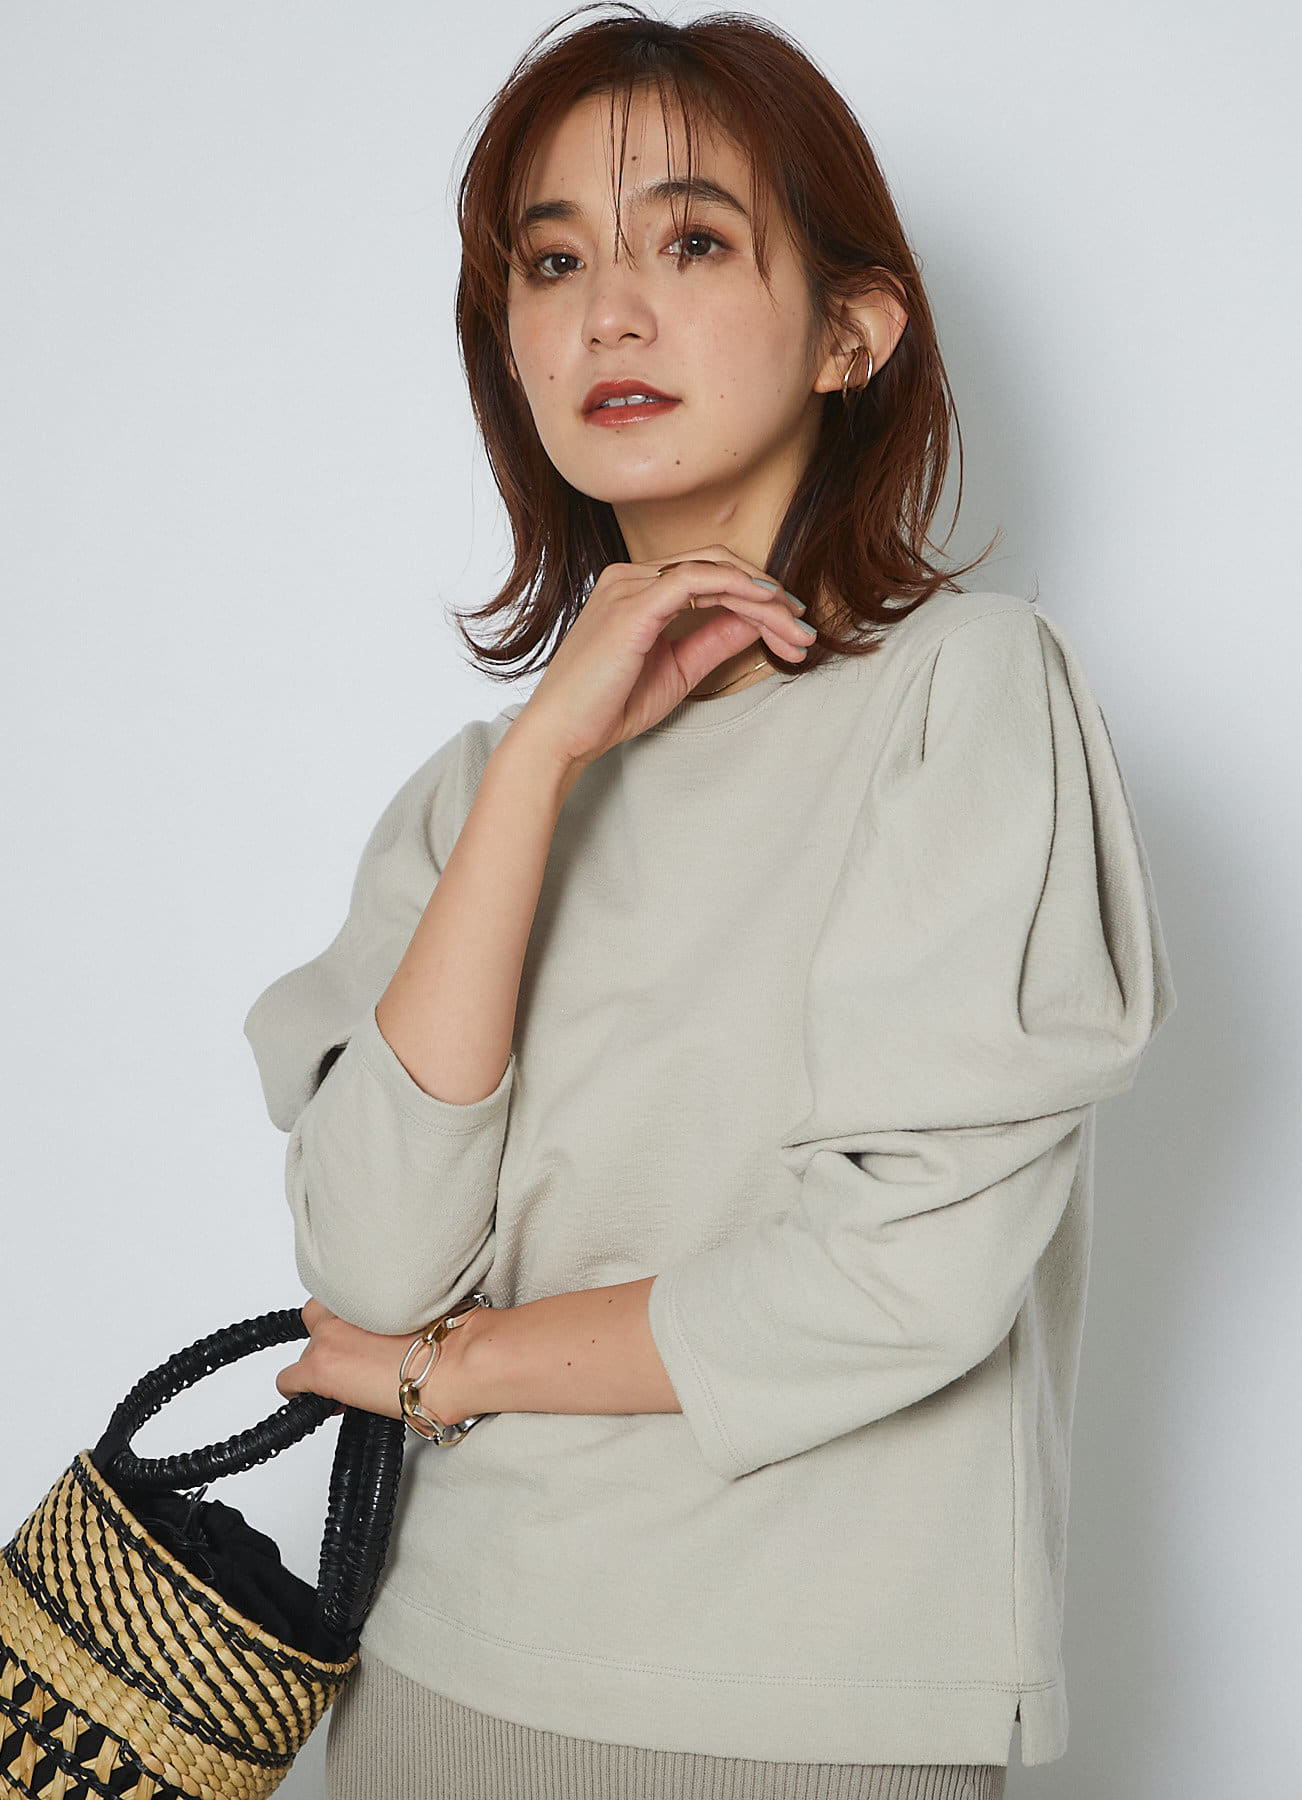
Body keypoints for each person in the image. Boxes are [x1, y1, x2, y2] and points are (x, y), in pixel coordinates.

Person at [245, 5, 1176, 1796]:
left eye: (687, 242)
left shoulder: (964, 696)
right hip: (430, 1679)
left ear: (851, 331)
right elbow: (368, 1264)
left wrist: (463, 1370)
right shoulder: (475, 793)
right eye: (551, 263)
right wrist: (541, 761)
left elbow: (904, 1272)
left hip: (801, 1712)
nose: (609, 312)